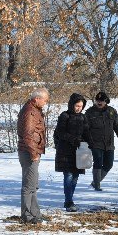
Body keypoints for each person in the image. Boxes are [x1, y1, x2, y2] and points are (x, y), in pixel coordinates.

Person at [54, 93, 92, 212]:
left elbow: (86, 132)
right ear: (72, 105)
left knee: (75, 177)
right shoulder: (64, 116)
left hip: (80, 151)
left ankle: (70, 199)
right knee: (68, 175)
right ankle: (68, 201)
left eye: (81, 106)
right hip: (65, 150)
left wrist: (91, 144)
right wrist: (73, 139)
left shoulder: (83, 117)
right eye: (77, 105)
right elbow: (60, 133)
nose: (79, 108)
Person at [17, 87, 49, 223]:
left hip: (33, 151)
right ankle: (27, 216)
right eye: (45, 101)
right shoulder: (30, 112)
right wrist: (33, 153)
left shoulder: (35, 110)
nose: (45, 103)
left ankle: (35, 213)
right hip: (29, 152)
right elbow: (27, 135)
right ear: (37, 99)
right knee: (29, 185)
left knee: (33, 184)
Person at [85, 91, 118, 191]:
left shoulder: (112, 111)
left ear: (105, 101)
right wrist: (86, 140)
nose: (99, 102)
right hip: (95, 142)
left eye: (101, 101)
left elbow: (117, 125)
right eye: (97, 100)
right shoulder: (89, 112)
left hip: (109, 143)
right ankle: (97, 186)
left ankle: (95, 182)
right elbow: (85, 128)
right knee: (98, 162)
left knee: (109, 164)